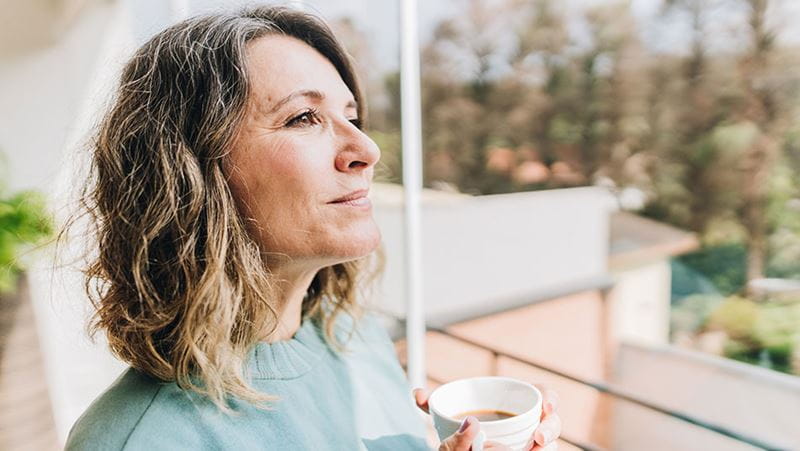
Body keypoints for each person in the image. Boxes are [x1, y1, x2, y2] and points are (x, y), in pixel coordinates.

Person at [64, 5, 561, 450]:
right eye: (303, 118)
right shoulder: (140, 440)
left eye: (351, 115)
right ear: (188, 171)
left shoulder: (353, 336)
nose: (368, 150)